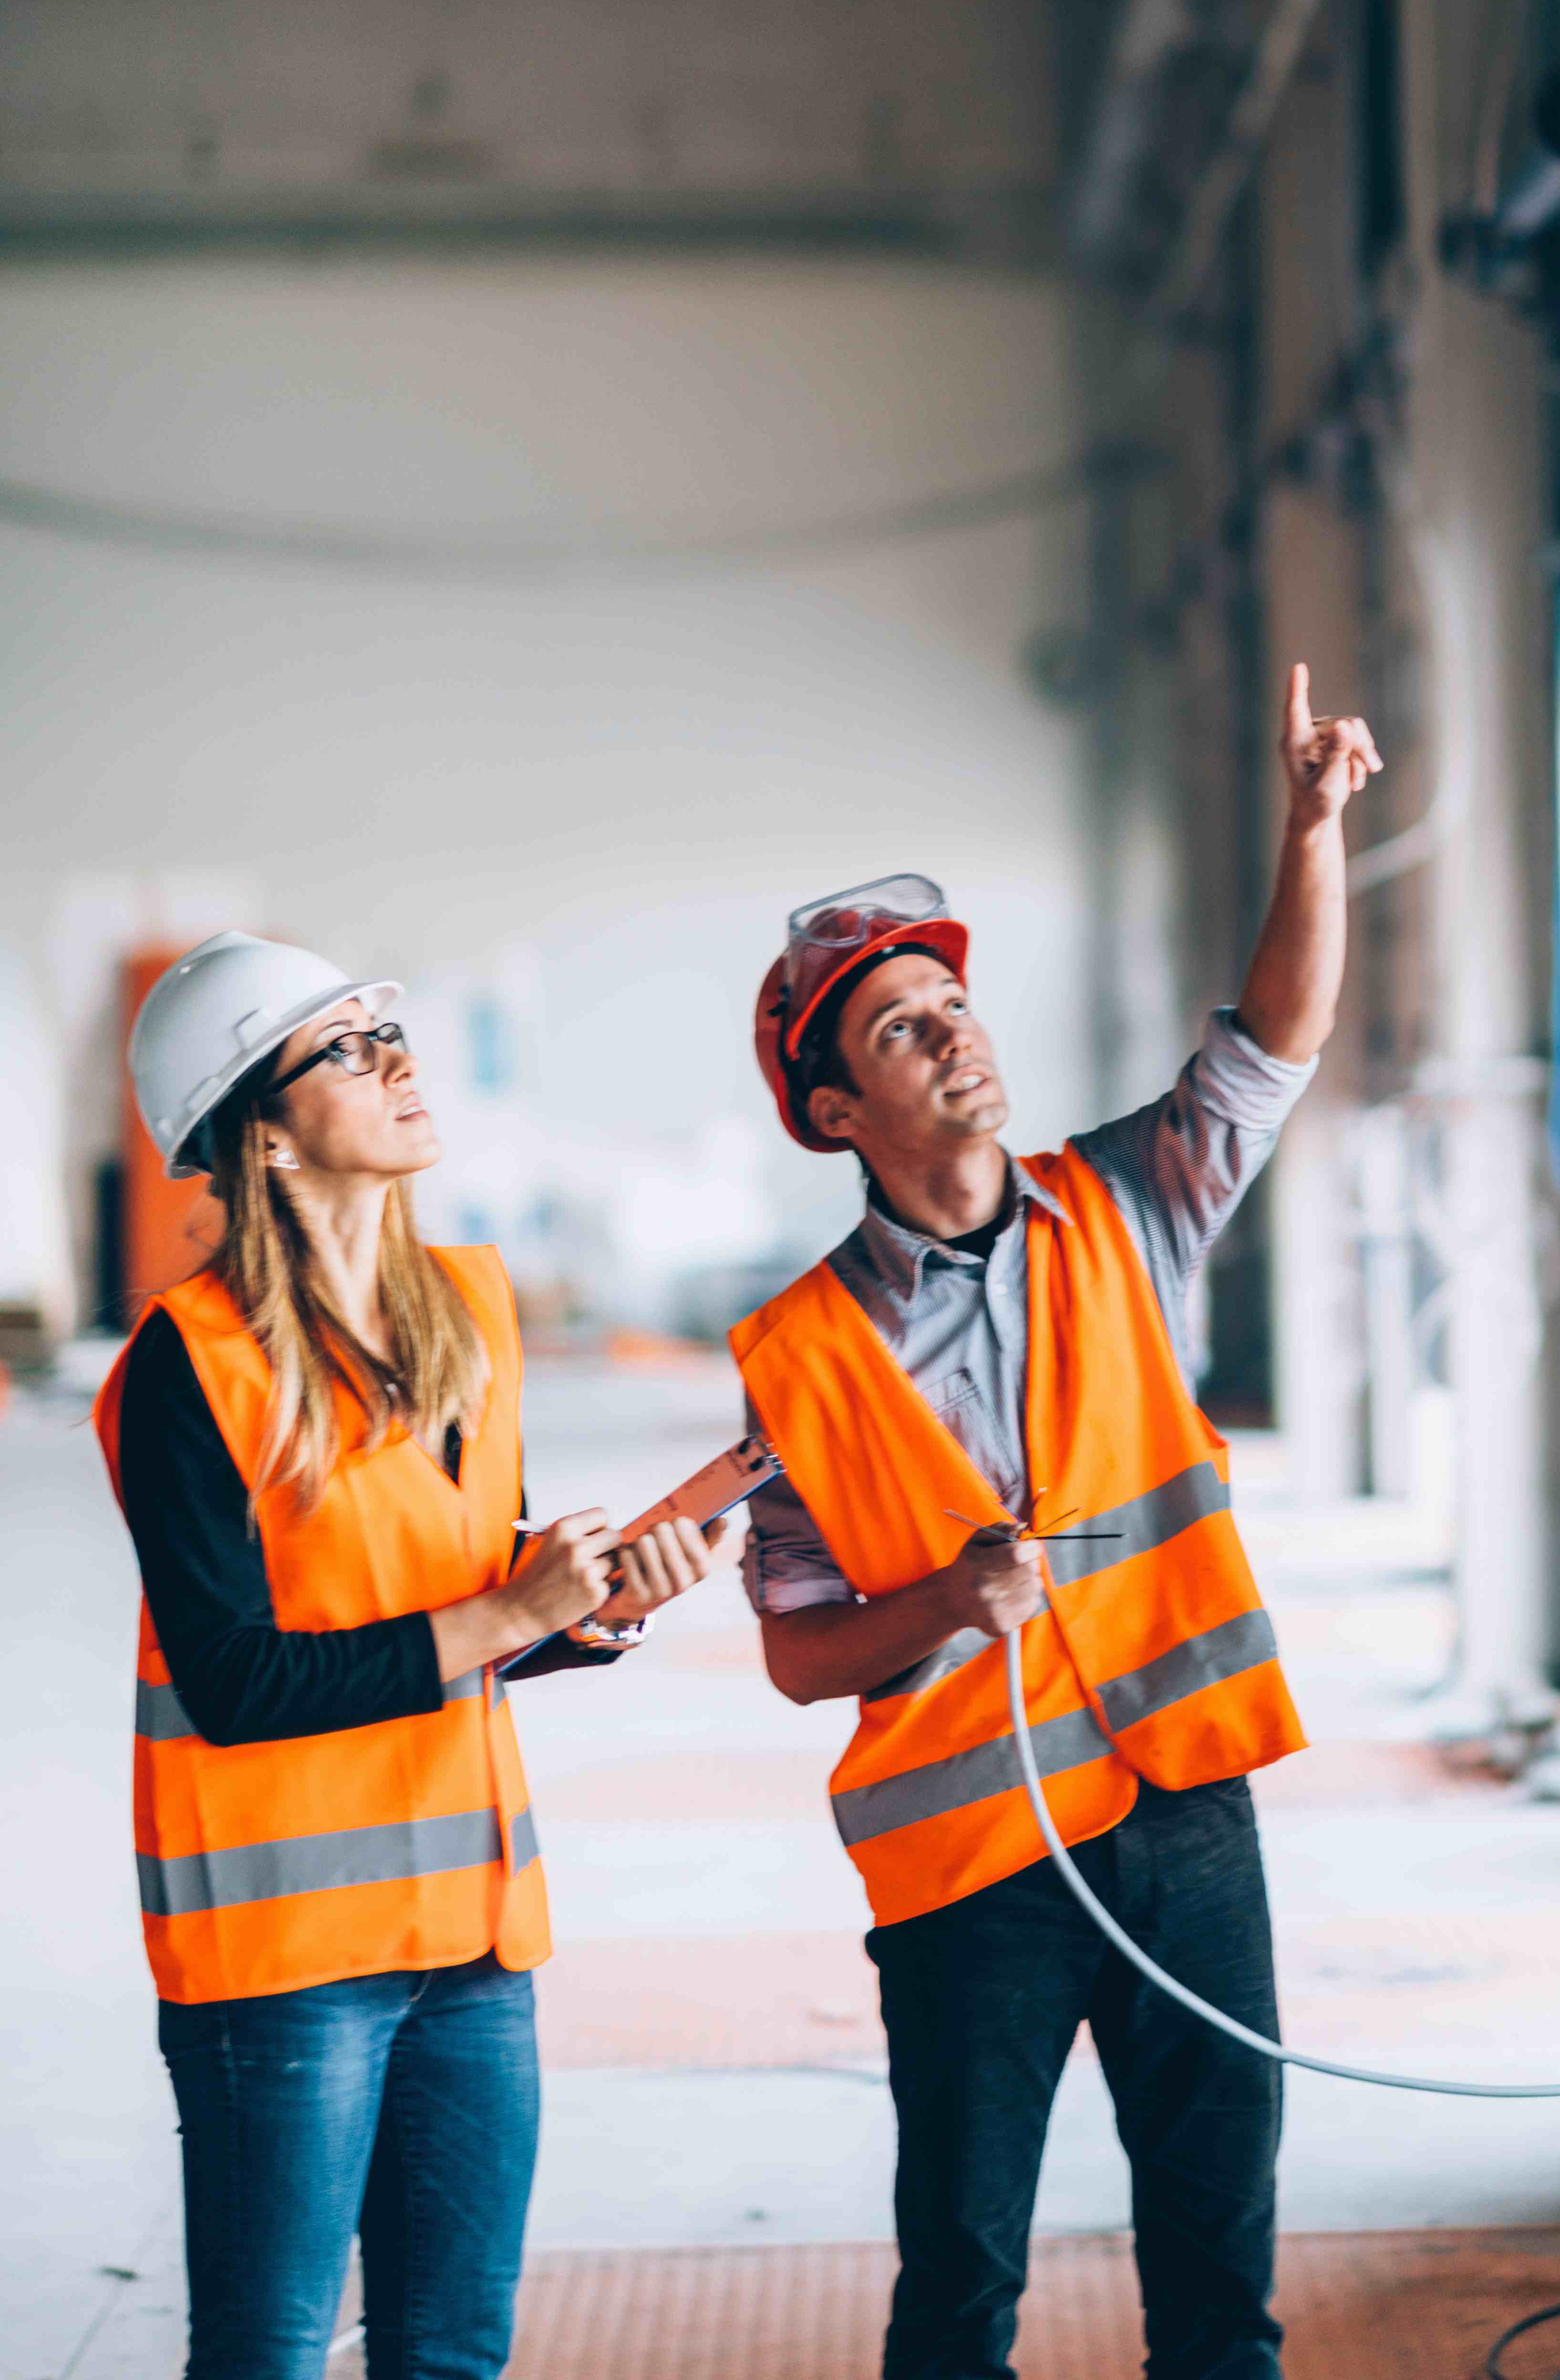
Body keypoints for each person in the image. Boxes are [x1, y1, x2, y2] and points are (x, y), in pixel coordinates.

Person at [736, 663, 1382, 2380]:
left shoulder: (1124, 1208)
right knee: (959, 2287)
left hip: (1185, 1820)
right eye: (900, 1031)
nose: (955, 1035)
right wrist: (947, 1600)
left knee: (1216, 2272)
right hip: (969, 1872)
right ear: (832, 1116)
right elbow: (799, 1657)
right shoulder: (800, 1354)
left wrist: (1311, 830)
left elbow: (1273, 1045)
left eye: (953, 1007)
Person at [93, 931, 738, 2380]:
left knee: (450, 2351)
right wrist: (509, 1617)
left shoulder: (469, 1318)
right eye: (345, 1047)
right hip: (286, 1966)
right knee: (266, 2353)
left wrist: (592, 1606)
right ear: (258, 1134)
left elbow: (453, 1605)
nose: (396, 1063)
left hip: (473, 1940)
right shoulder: (185, 1369)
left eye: (388, 1031)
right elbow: (238, 1681)